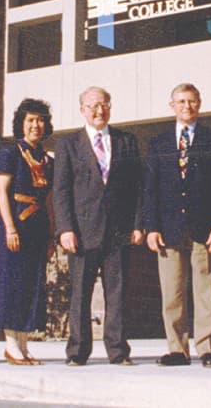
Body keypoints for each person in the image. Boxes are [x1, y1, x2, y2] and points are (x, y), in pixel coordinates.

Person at [52, 86, 144, 366]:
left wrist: (138, 225)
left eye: (103, 105)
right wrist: (65, 228)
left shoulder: (126, 141)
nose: (98, 111)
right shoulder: (68, 144)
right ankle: (77, 352)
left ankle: (118, 351)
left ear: (110, 108)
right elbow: (61, 190)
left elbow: (137, 187)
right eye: (92, 106)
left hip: (118, 231)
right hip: (82, 231)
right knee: (80, 293)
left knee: (117, 292)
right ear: (82, 110)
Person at [144, 83, 211, 368]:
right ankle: (177, 350)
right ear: (172, 106)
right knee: (172, 292)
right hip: (168, 230)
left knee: (208, 291)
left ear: (199, 104)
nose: (187, 106)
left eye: (192, 101)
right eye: (181, 101)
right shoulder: (158, 144)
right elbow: (150, 190)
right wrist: (151, 227)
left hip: (204, 229)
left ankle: (208, 348)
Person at [0, 98, 55, 365]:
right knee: (13, 283)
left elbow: (49, 199)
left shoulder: (47, 159)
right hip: (16, 223)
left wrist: (52, 235)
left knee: (32, 284)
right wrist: (9, 227)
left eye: (40, 120)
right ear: (21, 123)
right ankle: (10, 344)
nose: (35, 125)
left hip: (38, 226)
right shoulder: (10, 152)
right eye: (30, 120)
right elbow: (1, 191)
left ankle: (24, 344)